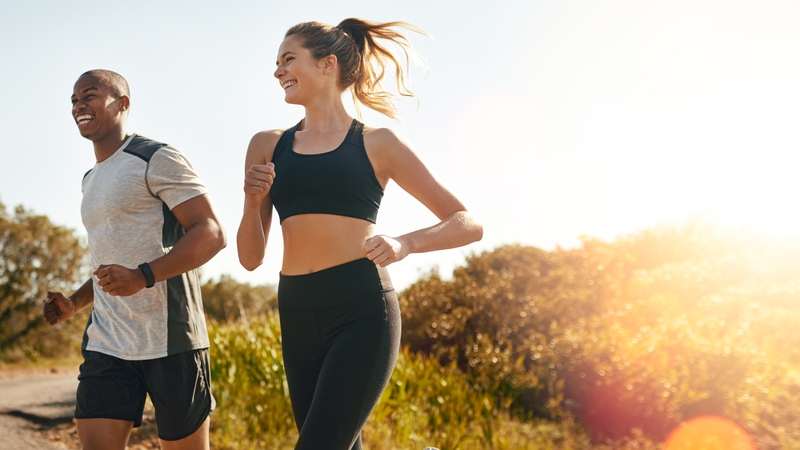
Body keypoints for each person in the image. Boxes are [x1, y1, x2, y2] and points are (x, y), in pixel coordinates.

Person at [237, 19, 483, 450]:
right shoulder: (266, 144)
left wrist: (406, 243)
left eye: (288, 59)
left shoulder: (378, 143)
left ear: (327, 64)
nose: (278, 71)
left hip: (361, 308)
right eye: (276, 63)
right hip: (295, 307)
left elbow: (467, 222)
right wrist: (252, 202)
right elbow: (250, 258)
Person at [42, 69, 226, 450]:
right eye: (74, 100)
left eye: (89, 96)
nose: (79, 105)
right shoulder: (89, 179)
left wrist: (143, 276)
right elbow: (111, 261)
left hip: (170, 338)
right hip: (108, 340)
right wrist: (74, 304)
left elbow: (211, 232)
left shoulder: (155, 157)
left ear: (122, 103)